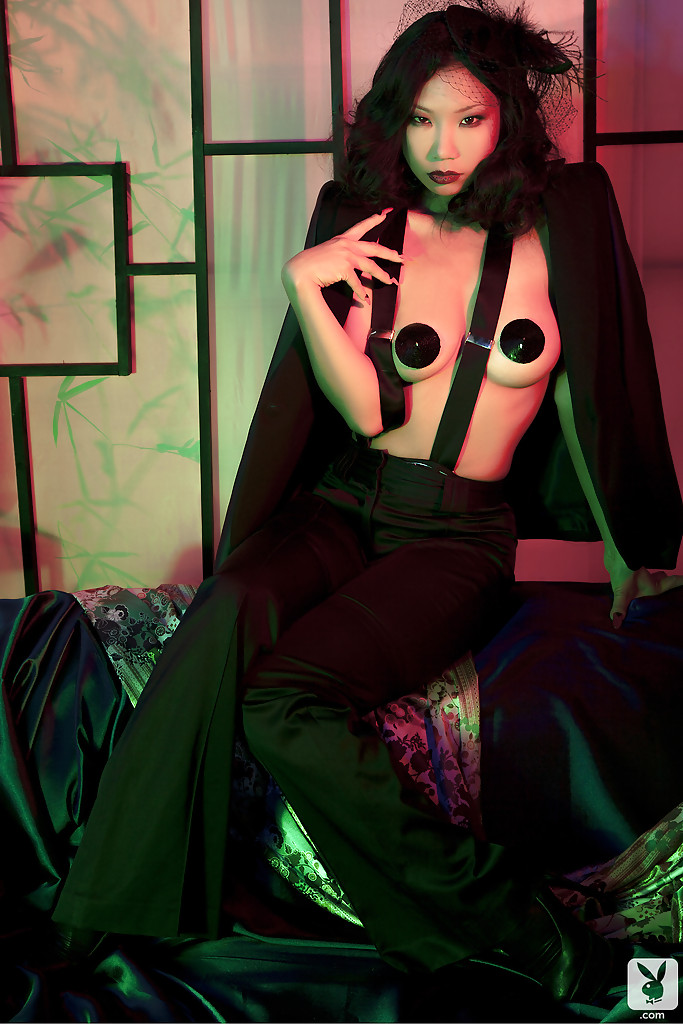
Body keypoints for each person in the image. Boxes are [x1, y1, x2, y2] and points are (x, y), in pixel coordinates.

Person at [52, 0, 682, 1009]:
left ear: (506, 119)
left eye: (467, 120)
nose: (440, 147)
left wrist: (623, 536)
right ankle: (100, 906)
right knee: (224, 607)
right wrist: (307, 285)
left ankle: (516, 925)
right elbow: (363, 407)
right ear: (394, 122)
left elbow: (588, 388)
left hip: (457, 534)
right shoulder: (364, 227)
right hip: (345, 503)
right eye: (420, 120)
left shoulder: (560, 226)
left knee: (280, 703)